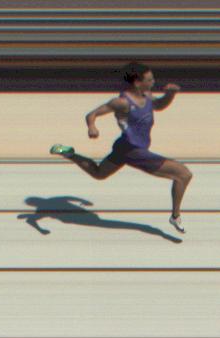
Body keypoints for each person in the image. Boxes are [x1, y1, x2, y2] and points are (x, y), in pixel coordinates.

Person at [50, 62, 193, 233]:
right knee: (183, 174)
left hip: (123, 147)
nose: (153, 82)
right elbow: (92, 114)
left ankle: (67, 152)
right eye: (149, 79)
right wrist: (92, 127)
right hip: (134, 151)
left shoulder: (147, 96)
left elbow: (159, 105)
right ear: (137, 82)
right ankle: (175, 216)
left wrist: (170, 94)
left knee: (99, 173)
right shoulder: (121, 102)